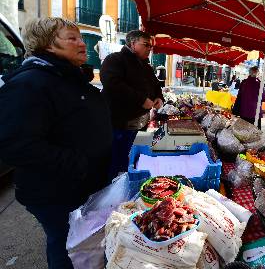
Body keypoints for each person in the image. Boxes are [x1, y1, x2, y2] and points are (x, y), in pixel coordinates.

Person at [0, 17, 112, 269]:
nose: (82, 44)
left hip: (80, 184)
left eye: (81, 37)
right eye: (72, 38)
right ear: (47, 44)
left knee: (79, 244)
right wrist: (79, 163)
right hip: (57, 191)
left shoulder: (67, 77)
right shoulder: (29, 84)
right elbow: (14, 144)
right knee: (66, 247)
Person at [100, 30, 164, 181]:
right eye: (146, 45)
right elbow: (112, 83)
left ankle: (126, 184)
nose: (150, 48)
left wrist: (159, 97)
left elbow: (156, 86)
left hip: (140, 124)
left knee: (131, 159)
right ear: (132, 43)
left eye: (151, 46)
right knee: (115, 161)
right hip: (118, 124)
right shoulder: (115, 59)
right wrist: (141, 100)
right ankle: (110, 192)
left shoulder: (146, 66)